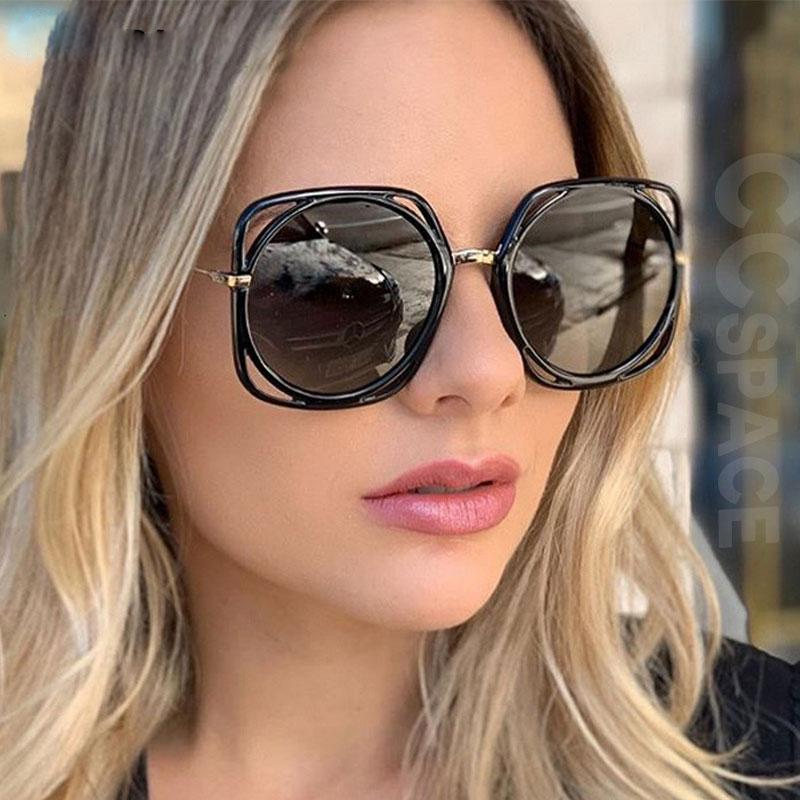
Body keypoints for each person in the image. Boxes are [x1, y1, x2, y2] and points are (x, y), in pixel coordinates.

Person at [1, 1, 799, 799]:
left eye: (547, 263)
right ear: (124, 323)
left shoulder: (769, 754)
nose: (490, 370)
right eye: (336, 286)